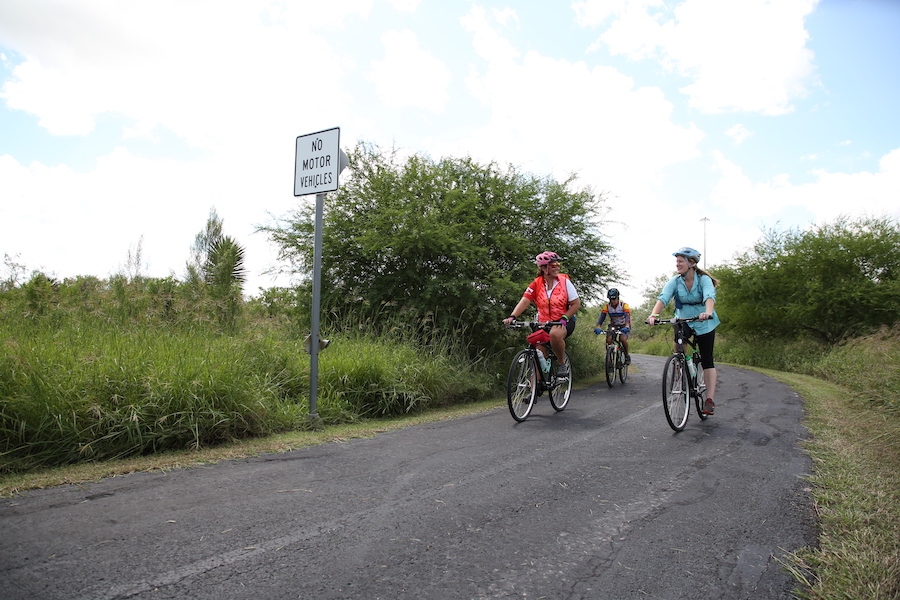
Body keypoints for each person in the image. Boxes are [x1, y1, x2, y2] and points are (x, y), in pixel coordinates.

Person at [646, 247, 720, 415]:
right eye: (677, 261)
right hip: (684, 318)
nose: (677, 264)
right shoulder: (675, 281)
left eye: (681, 261)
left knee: (707, 358)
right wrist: (653, 314)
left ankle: (709, 399)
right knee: (679, 342)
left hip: (703, 321)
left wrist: (707, 312)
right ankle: (681, 365)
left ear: (691, 263)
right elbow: (663, 297)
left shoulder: (703, 280)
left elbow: (709, 297)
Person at [503, 251, 581, 378]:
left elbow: (576, 304)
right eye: (553, 265)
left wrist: (565, 317)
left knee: (555, 334)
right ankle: (533, 390)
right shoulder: (536, 283)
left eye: (557, 264)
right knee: (538, 354)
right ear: (545, 268)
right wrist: (513, 317)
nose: (557, 267)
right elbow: (524, 301)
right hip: (543, 323)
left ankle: (561, 363)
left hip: (563, 321)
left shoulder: (564, 282)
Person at [594, 288, 632, 364]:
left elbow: (627, 316)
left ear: (618, 298)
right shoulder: (607, 306)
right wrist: (598, 326)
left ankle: (627, 355)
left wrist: (627, 326)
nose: (612, 301)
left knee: (622, 339)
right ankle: (609, 359)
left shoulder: (624, 305)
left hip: (624, 325)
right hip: (613, 325)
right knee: (609, 340)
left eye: (614, 299)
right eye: (611, 299)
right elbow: (602, 317)